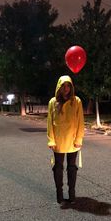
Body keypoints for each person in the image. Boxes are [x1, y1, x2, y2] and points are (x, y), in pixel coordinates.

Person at [47, 75, 84, 204]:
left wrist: (79, 138)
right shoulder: (53, 102)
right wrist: (51, 139)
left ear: (71, 87)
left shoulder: (77, 101)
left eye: (68, 85)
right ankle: (59, 194)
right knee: (58, 167)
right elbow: (50, 122)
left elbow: (80, 121)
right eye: (63, 86)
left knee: (72, 167)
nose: (66, 88)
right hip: (58, 140)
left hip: (73, 140)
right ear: (59, 87)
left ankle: (72, 194)